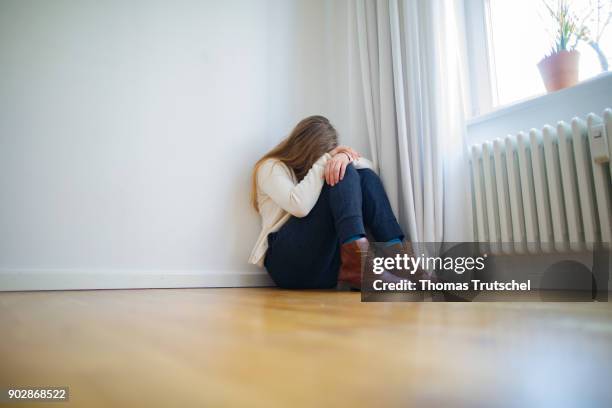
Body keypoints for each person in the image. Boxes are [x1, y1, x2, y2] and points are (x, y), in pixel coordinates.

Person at [249, 115, 416, 289]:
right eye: (319, 157)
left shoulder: (315, 172)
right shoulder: (270, 167)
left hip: (323, 267)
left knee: (364, 176)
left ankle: (399, 258)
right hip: (286, 263)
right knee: (344, 173)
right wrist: (326, 160)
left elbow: (368, 166)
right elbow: (299, 206)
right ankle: (360, 260)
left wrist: (344, 157)